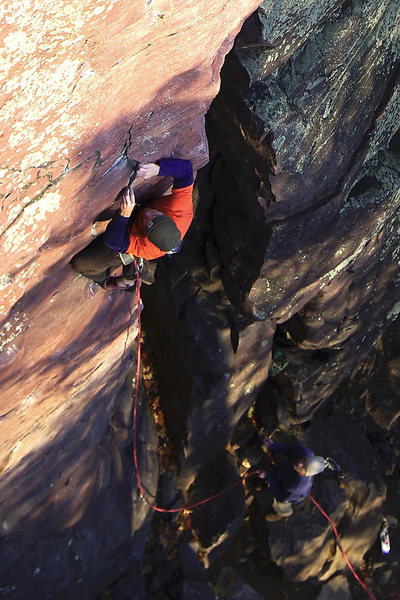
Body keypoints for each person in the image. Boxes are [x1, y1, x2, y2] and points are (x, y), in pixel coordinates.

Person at [70, 157, 194, 289]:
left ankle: (123, 281)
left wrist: (124, 214)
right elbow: (186, 170)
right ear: (168, 216)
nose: (147, 215)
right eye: (154, 214)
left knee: (80, 264)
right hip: (140, 223)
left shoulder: (147, 248)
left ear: (147, 237)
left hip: (132, 235)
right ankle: (136, 272)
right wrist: (157, 169)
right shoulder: (180, 209)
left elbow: (113, 242)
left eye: (147, 223)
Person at [259, 439, 326, 521]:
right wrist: (273, 446)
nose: (299, 464)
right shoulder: (305, 453)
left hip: (292, 494)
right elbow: (291, 448)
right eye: (303, 460)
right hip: (285, 471)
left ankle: (281, 513)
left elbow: (281, 495)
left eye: (303, 467)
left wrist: (267, 477)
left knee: (282, 503)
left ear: (307, 473)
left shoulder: (295, 487)